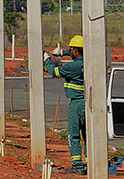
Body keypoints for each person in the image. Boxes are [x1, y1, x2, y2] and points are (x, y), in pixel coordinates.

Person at [44, 34, 86, 175]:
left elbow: (54, 72)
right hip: (88, 103)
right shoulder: (87, 61)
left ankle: (78, 166)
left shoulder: (73, 66)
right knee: (88, 136)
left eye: (71, 50)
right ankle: (92, 163)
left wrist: (47, 60)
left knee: (74, 136)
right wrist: (62, 52)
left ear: (75, 51)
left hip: (77, 104)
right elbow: (76, 52)